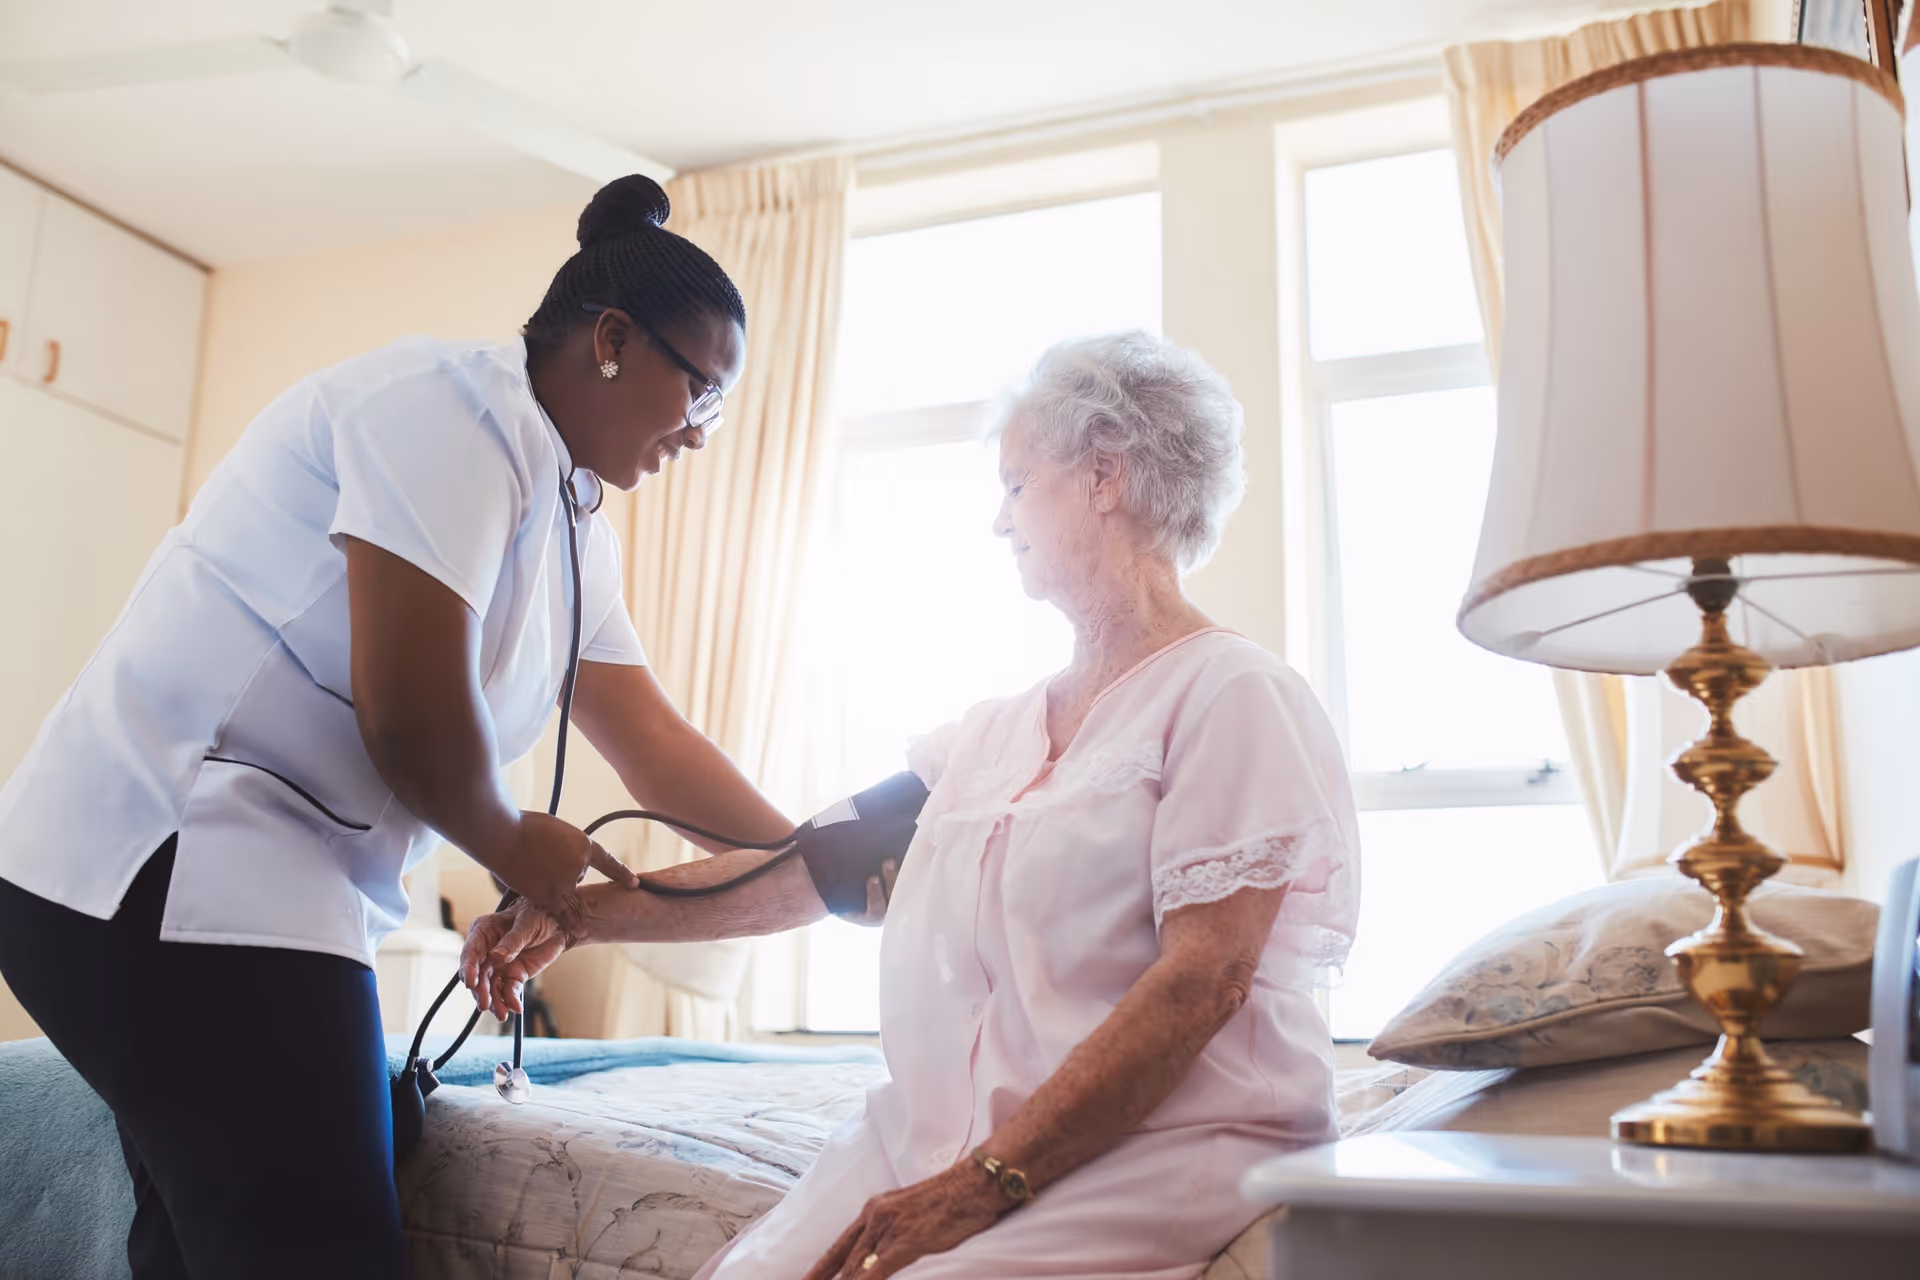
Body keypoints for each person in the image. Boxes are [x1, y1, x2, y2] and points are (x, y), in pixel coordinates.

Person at [0, 175, 813, 1279]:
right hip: (164, 861)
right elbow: (413, 718)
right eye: (703, 391)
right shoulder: (446, 412)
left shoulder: (578, 529)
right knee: (320, 1243)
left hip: (268, 887)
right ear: (615, 341)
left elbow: (655, 742)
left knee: (284, 1193)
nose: (704, 433)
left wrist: (814, 848)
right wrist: (519, 846)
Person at [464, 330, 1362, 1280]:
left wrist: (984, 1183)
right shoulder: (991, 735)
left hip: (1162, 1142)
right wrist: (574, 916)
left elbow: (1204, 981)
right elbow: (809, 871)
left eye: (1017, 485)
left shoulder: (1231, 693)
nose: (1000, 521)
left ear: (1105, 476)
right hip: (946, 1135)